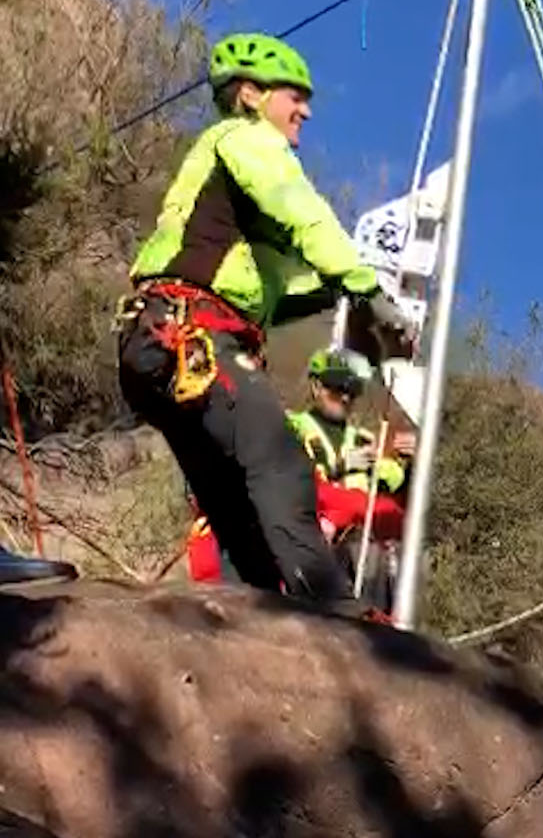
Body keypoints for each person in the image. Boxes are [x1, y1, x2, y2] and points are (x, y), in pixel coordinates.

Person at [116, 33, 412, 616]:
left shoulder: (235, 208)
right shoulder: (245, 139)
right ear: (250, 95)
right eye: (293, 96)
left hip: (158, 343)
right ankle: (329, 603)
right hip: (188, 336)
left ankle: (255, 609)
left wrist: (345, 293)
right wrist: (364, 287)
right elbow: (299, 208)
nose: (305, 110)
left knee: (233, 503)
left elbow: (276, 290)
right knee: (277, 459)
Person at [289, 348, 410, 497]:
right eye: (338, 388)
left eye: (353, 390)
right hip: (311, 517)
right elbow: (291, 479)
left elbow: (393, 485)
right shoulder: (292, 427)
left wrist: (409, 464)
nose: (345, 398)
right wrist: (341, 466)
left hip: (355, 518)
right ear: (316, 387)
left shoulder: (364, 440)